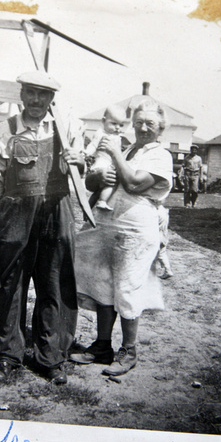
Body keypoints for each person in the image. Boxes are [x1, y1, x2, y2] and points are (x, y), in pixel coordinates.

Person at [0, 70, 85, 385]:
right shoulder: (4, 130)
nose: (37, 100)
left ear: (52, 98)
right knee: (9, 285)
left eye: (44, 94)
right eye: (31, 92)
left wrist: (81, 159)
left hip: (56, 213)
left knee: (56, 284)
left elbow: (86, 170)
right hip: (14, 214)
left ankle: (51, 357)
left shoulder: (68, 128)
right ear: (21, 94)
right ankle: (8, 354)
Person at [70, 97, 174, 376]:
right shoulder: (127, 150)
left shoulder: (159, 155)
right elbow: (93, 183)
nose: (142, 128)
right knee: (103, 285)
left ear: (161, 127)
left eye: (149, 123)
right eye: (138, 122)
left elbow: (134, 183)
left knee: (127, 289)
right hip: (107, 225)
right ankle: (102, 345)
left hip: (136, 230)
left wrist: (114, 154)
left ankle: (129, 350)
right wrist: (98, 177)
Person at [84, 104, 130, 210]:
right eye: (113, 123)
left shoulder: (117, 136)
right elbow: (93, 145)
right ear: (103, 121)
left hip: (109, 164)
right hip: (102, 164)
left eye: (121, 125)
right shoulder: (101, 134)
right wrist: (87, 153)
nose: (117, 127)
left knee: (101, 188)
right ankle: (102, 201)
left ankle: (90, 207)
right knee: (111, 183)